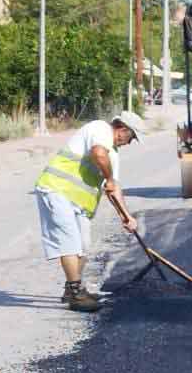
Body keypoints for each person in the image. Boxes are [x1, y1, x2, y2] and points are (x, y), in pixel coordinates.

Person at [34, 112, 143, 312]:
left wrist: (126, 217)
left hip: (78, 203)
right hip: (56, 191)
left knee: (83, 245)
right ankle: (76, 295)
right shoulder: (99, 129)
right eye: (132, 137)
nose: (130, 142)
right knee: (69, 243)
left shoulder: (114, 155)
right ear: (123, 129)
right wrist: (108, 178)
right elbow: (97, 154)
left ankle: (72, 288)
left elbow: (113, 188)